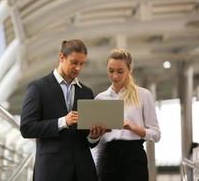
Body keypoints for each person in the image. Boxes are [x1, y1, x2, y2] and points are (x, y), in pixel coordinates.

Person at [20, 39, 105, 181]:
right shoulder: (38, 88)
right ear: (61, 57)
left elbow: (88, 140)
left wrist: (94, 136)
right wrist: (63, 121)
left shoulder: (86, 92)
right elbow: (27, 128)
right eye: (74, 62)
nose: (78, 68)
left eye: (81, 63)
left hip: (83, 171)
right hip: (52, 170)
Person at [94, 48, 161, 181]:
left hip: (134, 156)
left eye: (120, 71)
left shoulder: (143, 95)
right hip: (107, 156)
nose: (115, 76)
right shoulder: (100, 98)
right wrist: (94, 134)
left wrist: (132, 127)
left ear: (129, 69)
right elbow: (95, 141)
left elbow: (156, 135)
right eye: (111, 71)